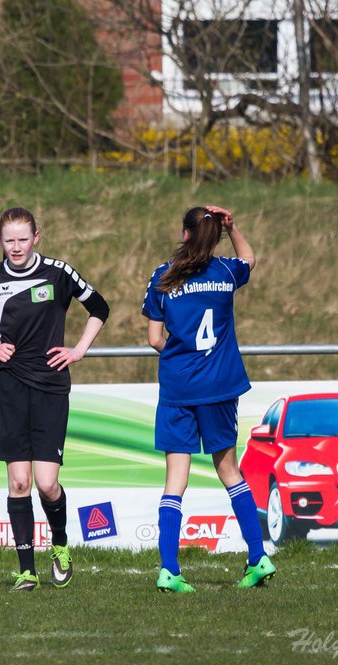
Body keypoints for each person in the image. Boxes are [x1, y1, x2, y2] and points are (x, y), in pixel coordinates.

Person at [0, 207, 109, 591]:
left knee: (46, 484)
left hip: (51, 386)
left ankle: (60, 544)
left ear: (37, 237)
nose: (17, 247)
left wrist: (78, 350)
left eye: (24, 239)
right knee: (19, 482)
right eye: (9, 240)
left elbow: (99, 308)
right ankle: (27, 570)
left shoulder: (59, 273)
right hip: (9, 387)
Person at [142, 205, 274, 593]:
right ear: (215, 236)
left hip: (179, 388)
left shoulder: (162, 277)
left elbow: (153, 339)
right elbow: (250, 258)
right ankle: (257, 557)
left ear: (184, 235)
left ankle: (169, 569)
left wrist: (181, 356)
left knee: (175, 482)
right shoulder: (226, 272)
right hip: (220, 388)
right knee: (231, 473)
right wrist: (234, 228)